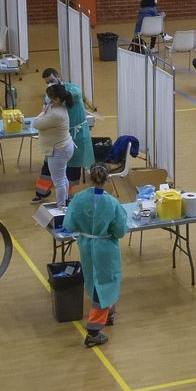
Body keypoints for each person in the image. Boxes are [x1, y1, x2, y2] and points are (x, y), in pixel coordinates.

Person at [62, 165, 129, 347]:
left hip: (87, 246)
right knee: (105, 284)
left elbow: (69, 223)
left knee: (94, 281)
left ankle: (109, 314)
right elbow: (120, 230)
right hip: (106, 248)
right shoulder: (112, 203)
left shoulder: (79, 199)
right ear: (107, 180)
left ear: (90, 179)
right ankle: (93, 331)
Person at [33, 67, 95, 202]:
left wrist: (58, 96)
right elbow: (45, 110)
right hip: (60, 137)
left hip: (76, 136)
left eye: (52, 81)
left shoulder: (73, 90)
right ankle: (41, 192)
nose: (50, 84)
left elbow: (75, 96)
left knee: (73, 170)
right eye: (47, 83)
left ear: (58, 76)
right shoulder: (51, 95)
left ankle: (69, 198)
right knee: (48, 166)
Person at [31, 85, 75, 208]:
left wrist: (42, 111)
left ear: (56, 99)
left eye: (49, 98)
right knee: (63, 177)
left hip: (59, 150)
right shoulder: (58, 107)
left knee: (59, 181)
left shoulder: (56, 114)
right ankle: (65, 201)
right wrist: (45, 110)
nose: (47, 100)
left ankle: (61, 207)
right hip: (64, 147)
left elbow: (36, 123)